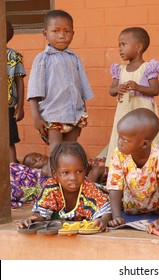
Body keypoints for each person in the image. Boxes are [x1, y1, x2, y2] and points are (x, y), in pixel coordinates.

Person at [27, 10, 94, 153]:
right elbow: (34, 90)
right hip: (53, 113)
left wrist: (83, 110)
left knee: (70, 150)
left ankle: (66, 175)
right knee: (56, 150)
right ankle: (54, 175)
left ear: (73, 34)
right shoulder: (42, 59)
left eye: (67, 31)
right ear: (45, 34)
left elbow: (81, 87)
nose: (62, 35)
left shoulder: (74, 58)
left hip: (74, 113)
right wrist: (36, 117)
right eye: (56, 31)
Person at [17, 142, 111, 232]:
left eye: (79, 171)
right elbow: (41, 212)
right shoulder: (52, 188)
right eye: (66, 173)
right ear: (55, 174)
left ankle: (98, 172)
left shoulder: (89, 189)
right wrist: (32, 220)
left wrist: (103, 221)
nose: (73, 178)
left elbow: (107, 211)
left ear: (85, 170)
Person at [106, 27, 159, 166]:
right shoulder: (119, 70)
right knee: (123, 139)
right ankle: (120, 169)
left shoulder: (148, 68)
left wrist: (137, 87)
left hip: (142, 115)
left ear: (138, 47)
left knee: (144, 140)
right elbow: (111, 91)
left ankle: (151, 167)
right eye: (119, 45)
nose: (120, 49)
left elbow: (155, 90)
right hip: (124, 112)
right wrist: (118, 88)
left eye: (123, 45)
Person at [107, 108, 159, 227]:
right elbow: (115, 186)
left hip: (157, 209)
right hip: (130, 209)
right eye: (119, 136)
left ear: (144, 144)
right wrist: (117, 217)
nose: (119, 142)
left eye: (125, 140)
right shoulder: (118, 155)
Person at [6, 20, 26, 163]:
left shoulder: (13, 56)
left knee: (9, 140)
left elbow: (19, 81)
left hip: (7, 106)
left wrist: (20, 106)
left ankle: (13, 172)